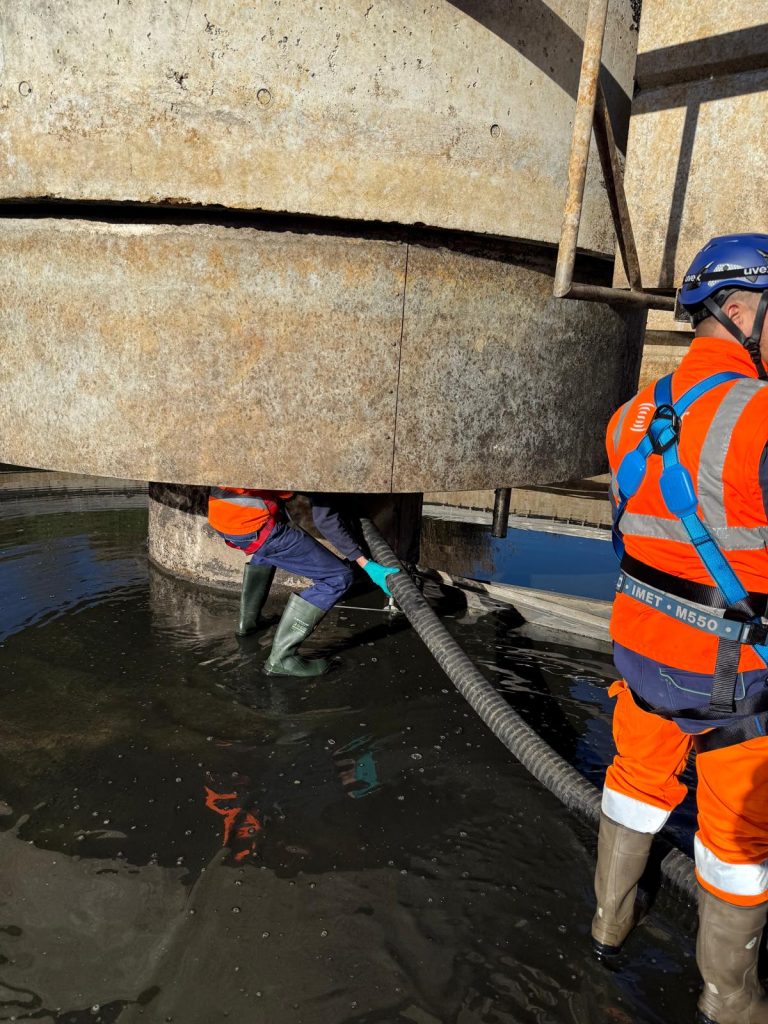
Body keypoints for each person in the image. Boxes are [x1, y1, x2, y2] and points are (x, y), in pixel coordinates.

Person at [592, 234, 768, 1024]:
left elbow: (639, 534)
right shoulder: (761, 416)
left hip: (641, 653)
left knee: (636, 781)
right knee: (738, 837)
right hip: (735, 677)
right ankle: (729, 998)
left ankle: (607, 924)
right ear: (741, 312)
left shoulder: (629, 417)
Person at [207, 488, 399, 677]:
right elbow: (325, 519)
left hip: (223, 515)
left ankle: (247, 623)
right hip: (253, 524)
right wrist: (366, 564)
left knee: (267, 550)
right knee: (338, 577)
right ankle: (282, 660)